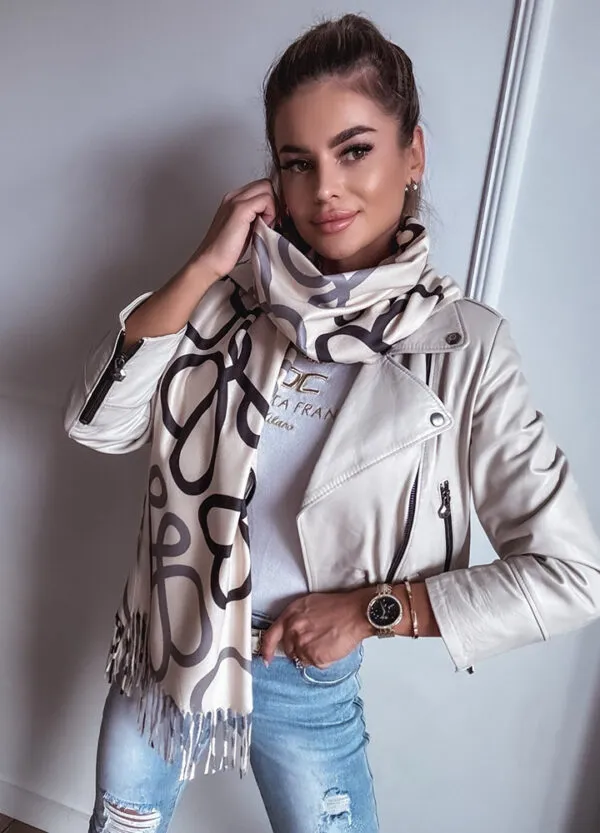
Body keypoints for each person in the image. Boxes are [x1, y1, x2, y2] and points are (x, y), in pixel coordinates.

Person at [64, 13, 600, 833]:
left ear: (413, 154)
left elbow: (572, 576)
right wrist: (204, 265)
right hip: (170, 651)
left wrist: (377, 608)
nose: (325, 190)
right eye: (297, 162)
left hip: (304, 680)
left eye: (354, 150)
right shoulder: (228, 304)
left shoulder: (464, 347)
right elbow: (98, 423)